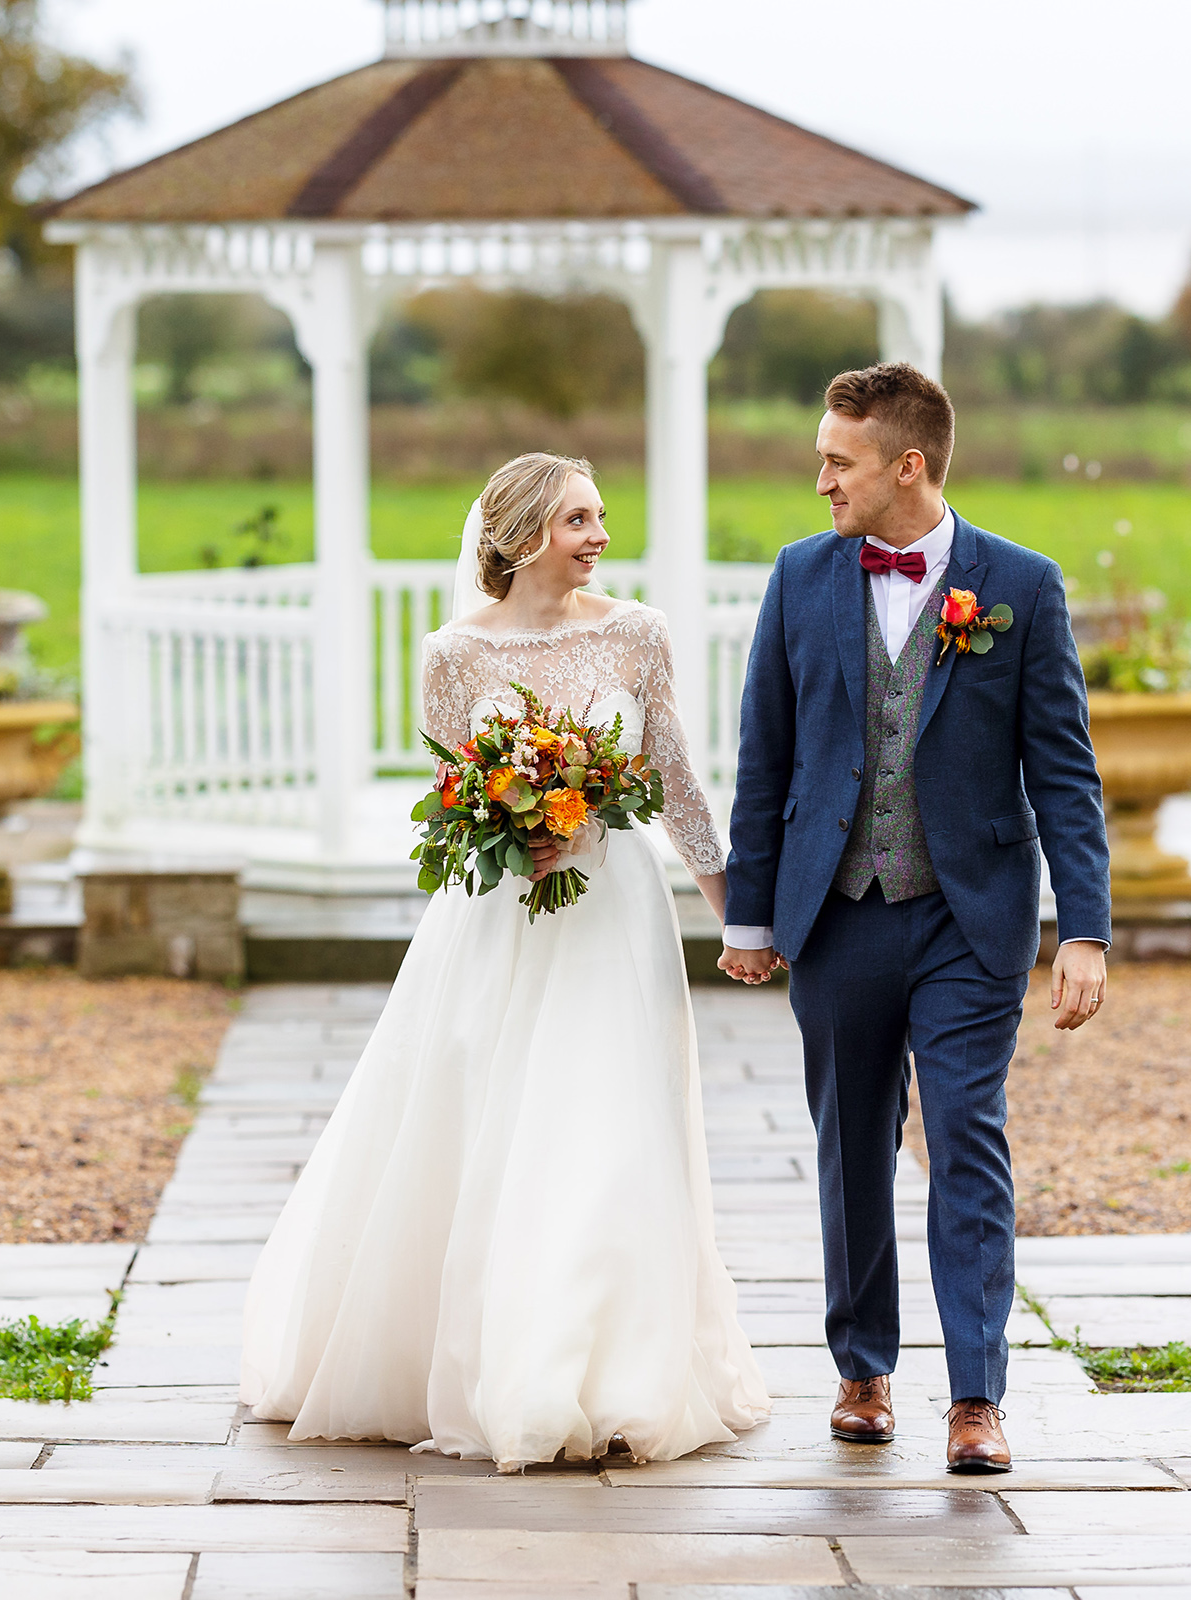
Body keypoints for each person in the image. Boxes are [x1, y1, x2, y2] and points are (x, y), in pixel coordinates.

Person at [238, 453, 770, 1470]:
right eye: (579, 518)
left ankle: (613, 1372)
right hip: (494, 923)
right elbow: (453, 788)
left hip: (612, 916)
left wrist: (733, 917)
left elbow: (675, 781)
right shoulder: (452, 655)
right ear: (524, 533)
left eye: (602, 515)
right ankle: (492, 1361)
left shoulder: (637, 633)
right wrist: (510, 824)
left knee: (614, 1124)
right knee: (484, 1120)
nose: (600, 534)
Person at [718, 363, 1112, 1474]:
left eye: (836, 462)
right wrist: (752, 915)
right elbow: (768, 756)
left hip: (968, 916)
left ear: (909, 466)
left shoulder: (1021, 587)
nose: (819, 482)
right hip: (835, 915)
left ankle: (977, 1395)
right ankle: (862, 1369)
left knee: (966, 1138)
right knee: (850, 1147)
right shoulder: (800, 578)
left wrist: (1083, 925)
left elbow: (1066, 776)